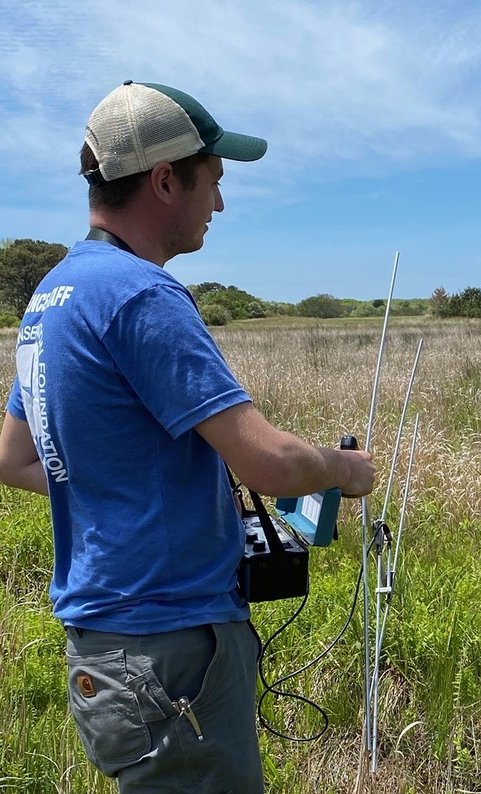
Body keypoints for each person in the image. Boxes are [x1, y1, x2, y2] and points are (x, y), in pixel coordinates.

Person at [0, 81, 376, 792]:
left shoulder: (52, 297)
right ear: (166, 179)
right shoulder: (141, 293)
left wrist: (144, 495)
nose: (220, 203)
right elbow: (269, 463)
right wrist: (345, 469)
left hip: (105, 652)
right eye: (215, 180)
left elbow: (15, 458)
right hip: (169, 651)